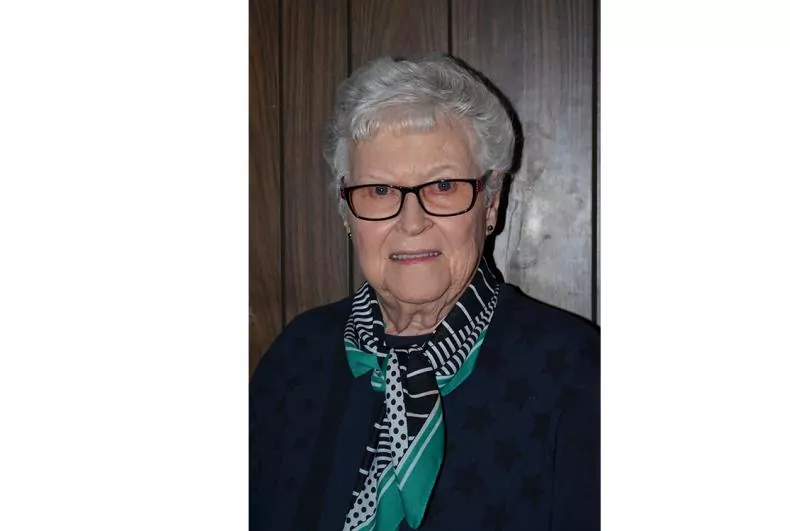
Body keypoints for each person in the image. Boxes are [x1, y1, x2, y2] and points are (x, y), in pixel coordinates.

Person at [250, 54, 599, 531]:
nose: (411, 222)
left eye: (443, 185)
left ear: (491, 203)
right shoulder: (296, 356)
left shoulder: (577, 371)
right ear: (346, 212)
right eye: (379, 191)